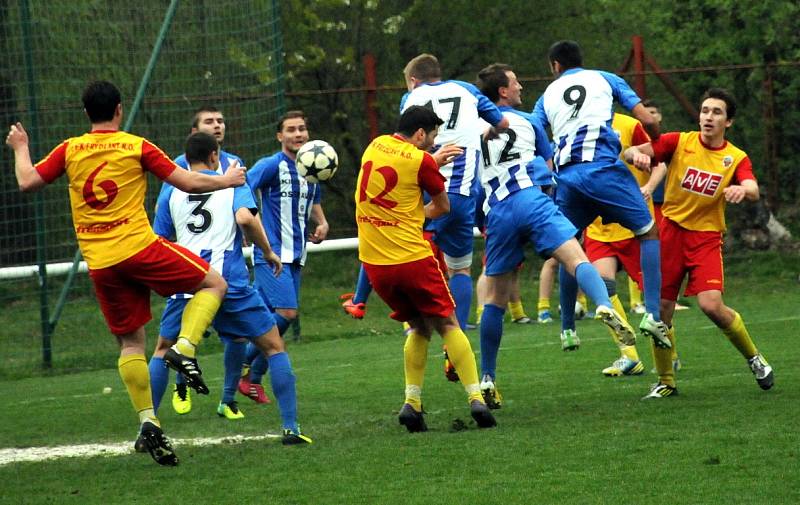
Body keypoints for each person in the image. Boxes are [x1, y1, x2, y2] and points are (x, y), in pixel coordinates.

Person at [5, 80, 246, 466]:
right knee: (214, 282)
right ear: (119, 109)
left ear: (87, 113)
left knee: (131, 344)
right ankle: (184, 348)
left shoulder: (70, 149)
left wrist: (21, 148)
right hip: (139, 248)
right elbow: (186, 181)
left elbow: (26, 181)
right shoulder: (136, 145)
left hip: (100, 263)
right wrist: (226, 181)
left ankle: (148, 420)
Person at [475, 63, 636, 408]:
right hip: (532, 199)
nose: (521, 87)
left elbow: (474, 184)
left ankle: (487, 378)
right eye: (516, 82)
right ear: (502, 92)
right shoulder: (530, 123)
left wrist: (481, 219)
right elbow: (550, 170)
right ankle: (605, 307)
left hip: (498, 210)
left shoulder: (476, 131)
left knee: (495, 300)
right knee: (577, 258)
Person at [147, 131, 311, 443]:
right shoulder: (232, 182)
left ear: (187, 159)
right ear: (214, 157)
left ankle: (149, 427)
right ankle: (291, 428)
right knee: (274, 346)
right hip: (230, 285)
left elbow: (162, 239)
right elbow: (246, 219)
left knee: (161, 350)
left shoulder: (171, 190)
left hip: (188, 285)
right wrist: (267, 251)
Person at [625, 87, 774, 398]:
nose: (708, 117)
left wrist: (741, 191)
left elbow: (753, 187)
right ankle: (666, 381)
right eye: (705, 110)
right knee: (661, 310)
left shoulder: (735, 157)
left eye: (716, 112)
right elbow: (631, 151)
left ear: (728, 122)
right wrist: (636, 155)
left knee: (711, 305)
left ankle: (755, 358)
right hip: (670, 233)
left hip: (705, 238)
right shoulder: (679, 141)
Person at [356, 105, 496, 431]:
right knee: (448, 323)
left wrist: (429, 163)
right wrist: (428, 176)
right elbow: (442, 207)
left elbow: (394, 176)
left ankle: (412, 403)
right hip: (411, 259)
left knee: (418, 326)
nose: (432, 144)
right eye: (431, 137)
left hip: (377, 266)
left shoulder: (374, 146)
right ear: (420, 133)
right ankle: (476, 398)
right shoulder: (421, 161)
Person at [532, 40, 671, 351]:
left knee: (570, 247)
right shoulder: (606, 78)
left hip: (567, 178)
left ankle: (567, 328)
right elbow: (648, 120)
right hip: (603, 170)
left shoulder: (546, 96)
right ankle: (651, 314)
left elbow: (536, 138)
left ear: (555, 66)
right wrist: (659, 145)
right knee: (648, 231)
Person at [399, 53, 510, 330]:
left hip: (422, 190)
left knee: (405, 252)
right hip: (460, 193)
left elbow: (402, 140)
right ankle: (455, 334)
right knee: (459, 268)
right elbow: (502, 123)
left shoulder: (410, 99)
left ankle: (413, 324)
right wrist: (480, 128)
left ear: (413, 81)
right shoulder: (467, 90)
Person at [163, 105, 249, 415]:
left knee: (237, 335)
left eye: (221, 121)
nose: (217, 126)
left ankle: (227, 400)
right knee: (177, 338)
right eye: (209, 122)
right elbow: (164, 224)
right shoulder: (175, 170)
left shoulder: (235, 165)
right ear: (194, 132)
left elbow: (245, 211)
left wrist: (247, 227)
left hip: (229, 266)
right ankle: (180, 383)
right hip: (191, 267)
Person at [239, 111, 329, 402]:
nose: (298, 134)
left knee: (268, 316)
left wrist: (322, 222)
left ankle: (248, 381)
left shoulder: (312, 165)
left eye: (302, 128)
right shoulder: (270, 165)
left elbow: (313, 199)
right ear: (280, 136)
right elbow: (243, 188)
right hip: (271, 253)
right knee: (287, 313)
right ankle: (245, 363)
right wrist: (245, 225)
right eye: (291, 129)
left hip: (297, 253)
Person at [583, 112, 653, 375]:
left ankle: (668, 352)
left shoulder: (629, 125)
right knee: (603, 287)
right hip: (599, 227)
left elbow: (660, 159)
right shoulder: (577, 124)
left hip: (632, 222)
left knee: (657, 293)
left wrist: (650, 184)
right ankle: (630, 356)